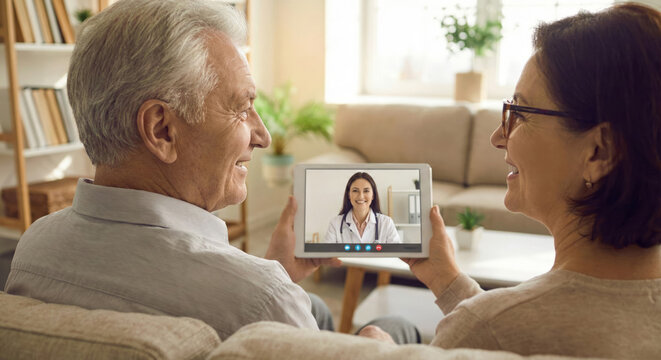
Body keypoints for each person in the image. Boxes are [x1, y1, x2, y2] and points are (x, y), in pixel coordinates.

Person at [4, 0, 341, 340]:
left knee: (317, 309)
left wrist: (275, 273)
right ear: (162, 130)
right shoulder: (263, 301)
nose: (263, 136)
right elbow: (245, 304)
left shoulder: (35, 247)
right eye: (241, 108)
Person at [358, 3, 661, 358]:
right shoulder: (492, 326)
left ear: (598, 152)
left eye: (519, 113)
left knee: (386, 327)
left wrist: (378, 353)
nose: (497, 137)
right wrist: (449, 282)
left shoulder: (485, 328)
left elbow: (500, 330)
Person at [324, 172, 401, 244]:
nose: (361, 196)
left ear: (373, 195)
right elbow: (327, 256)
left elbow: (397, 255)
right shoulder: (335, 224)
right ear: (349, 195)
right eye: (355, 191)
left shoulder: (386, 223)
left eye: (366, 191)